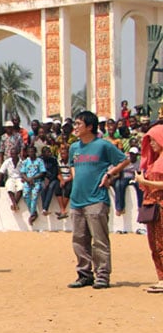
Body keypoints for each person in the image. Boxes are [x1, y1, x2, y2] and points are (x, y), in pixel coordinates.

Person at [67, 110, 130, 289]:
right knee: (79, 239)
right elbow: (72, 165)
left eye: (79, 124)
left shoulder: (103, 145)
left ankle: (102, 275)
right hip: (77, 199)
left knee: (99, 240)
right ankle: (84, 274)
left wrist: (109, 174)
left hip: (97, 199)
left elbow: (124, 160)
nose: (76, 127)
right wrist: (76, 179)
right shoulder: (74, 148)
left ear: (90, 127)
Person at [134, 124, 163, 292]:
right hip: (152, 204)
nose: (151, 144)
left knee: (161, 242)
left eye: (154, 140)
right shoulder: (154, 161)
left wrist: (146, 183)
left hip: (160, 204)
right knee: (154, 243)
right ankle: (160, 276)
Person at [19, 145, 46, 224]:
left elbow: (42, 172)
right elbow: (23, 173)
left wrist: (33, 178)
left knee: (34, 196)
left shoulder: (39, 161)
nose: (31, 153)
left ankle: (32, 215)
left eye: (32, 152)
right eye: (29, 152)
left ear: (35, 152)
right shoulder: (25, 161)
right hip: (28, 181)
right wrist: (28, 179)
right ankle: (33, 212)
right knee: (25, 195)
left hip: (37, 182)